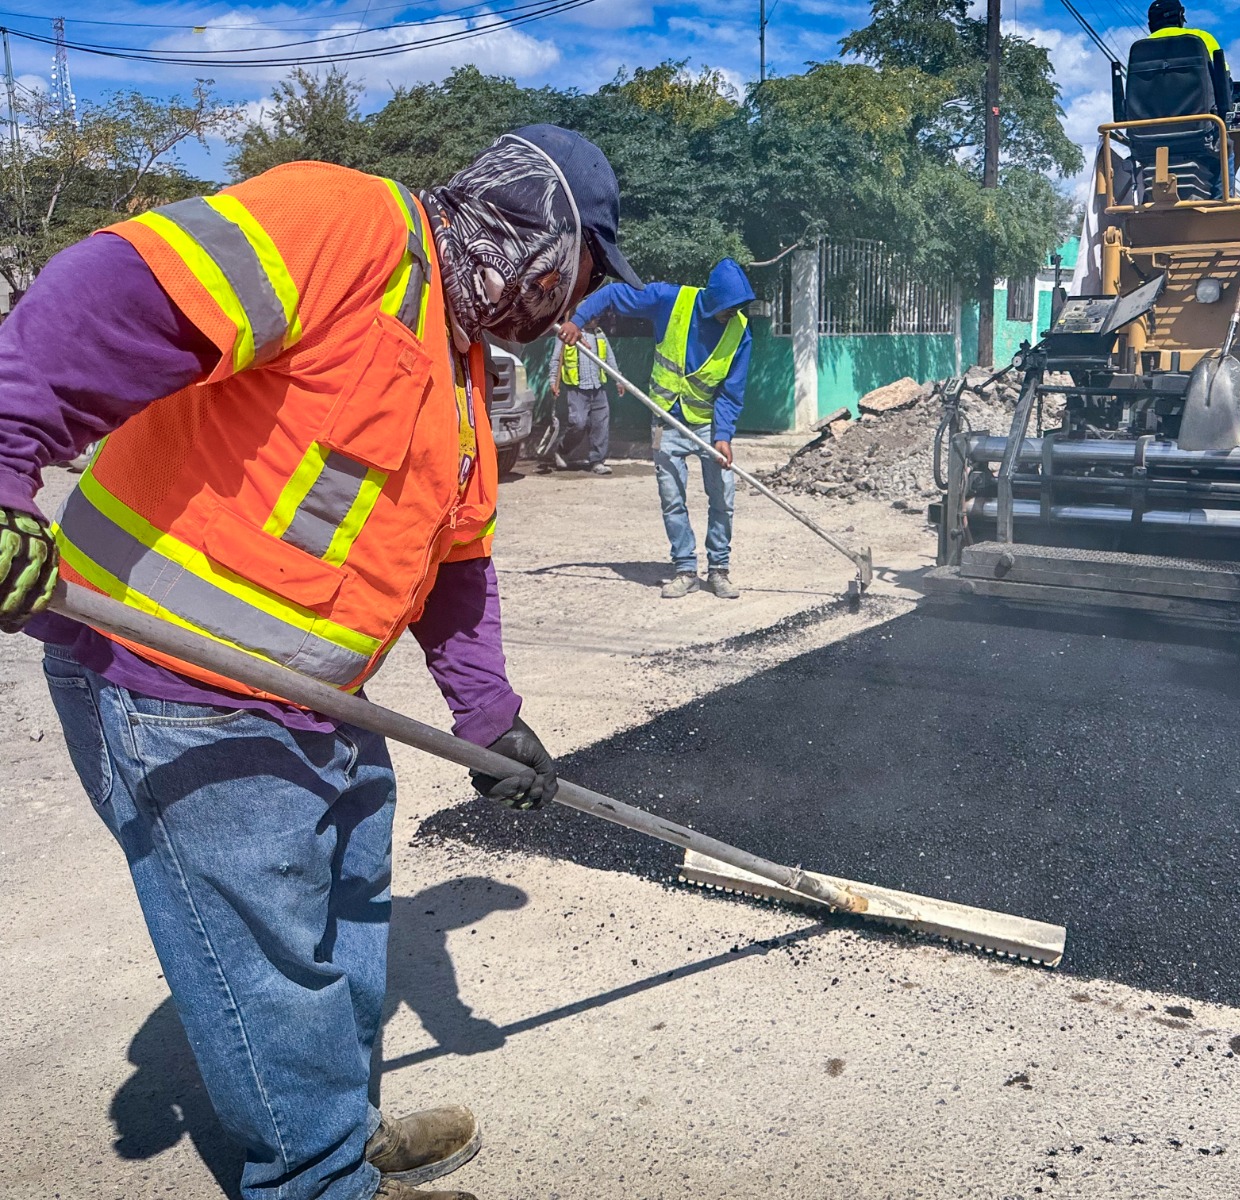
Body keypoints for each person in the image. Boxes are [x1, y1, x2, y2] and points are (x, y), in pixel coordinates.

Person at [0, 124, 641, 1200]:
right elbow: (102, 293)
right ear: (546, 236)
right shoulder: (346, 226)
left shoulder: (460, 365)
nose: (574, 302)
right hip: (178, 686)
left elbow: (457, 564)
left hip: (320, 698)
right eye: (583, 273)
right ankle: (316, 1179)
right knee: (269, 965)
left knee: (349, 921)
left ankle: (343, 1131)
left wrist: (489, 719)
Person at [558, 259, 754, 600]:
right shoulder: (670, 300)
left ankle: (719, 570)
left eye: (738, 307)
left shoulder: (741, 331)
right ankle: (685, 570)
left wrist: (723, 436)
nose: (732, 313)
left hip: (708, 426)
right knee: (672, 499)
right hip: (666, 421)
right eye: (728, 307)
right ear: (713, 299)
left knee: (723, 499)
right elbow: (615, 294)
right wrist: (577, 320)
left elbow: (731, 391)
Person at [547, 317, 617, 474]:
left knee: (600, 425)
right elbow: (556, 360)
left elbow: (610, 359)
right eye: (592, 316)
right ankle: (562, 450)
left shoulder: (600, 334)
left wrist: (618, 380)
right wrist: (553, 381)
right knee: (578, 423)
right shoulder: (567, 334)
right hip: (577, 389)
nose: (596, 319)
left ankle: (597, 461)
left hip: (598, 387)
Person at [1142, 0, 1231, 111]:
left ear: (1150, 25)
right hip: (1202, 117)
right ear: (1180, 15)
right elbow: (1223, 79)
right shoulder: (1202, 37)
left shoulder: (1140, 49)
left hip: (1150, 120)